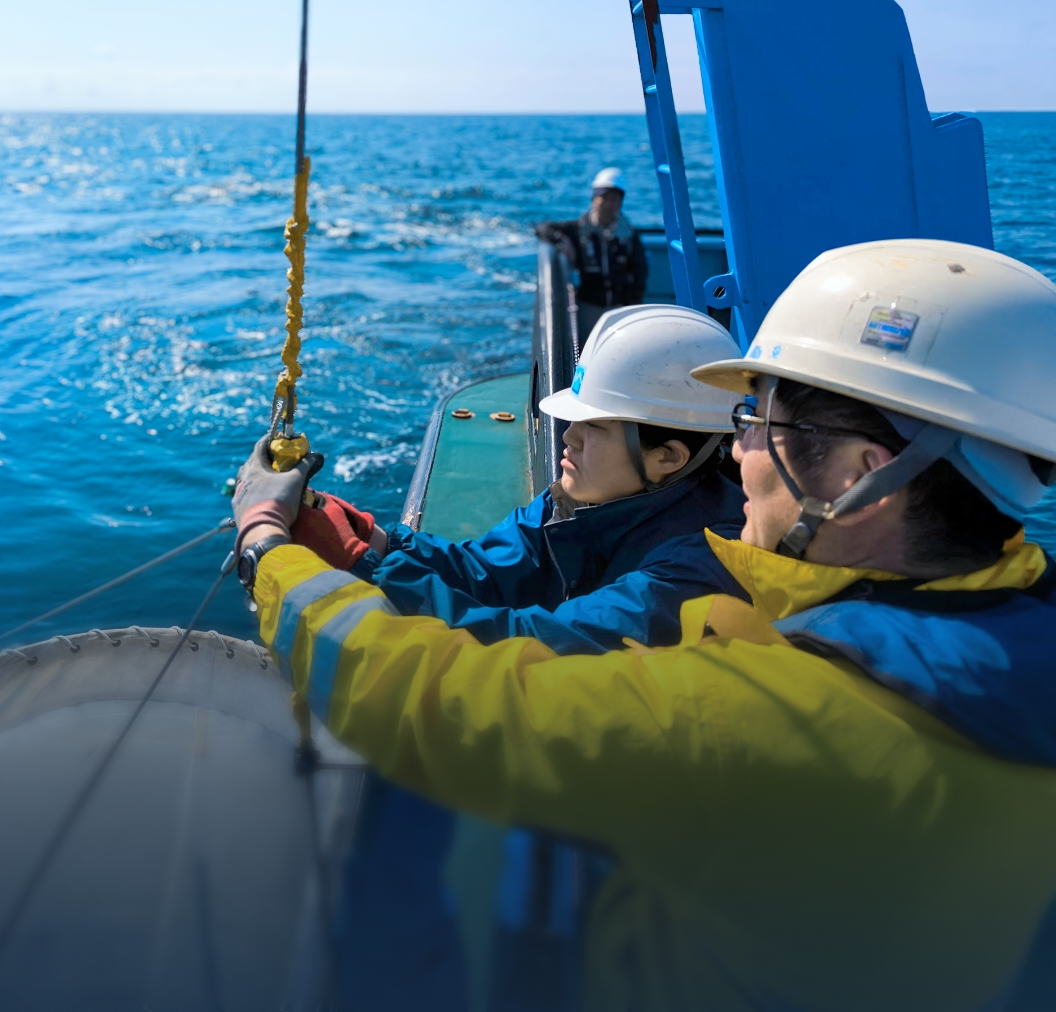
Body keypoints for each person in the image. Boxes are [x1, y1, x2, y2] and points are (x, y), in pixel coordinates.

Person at [233, 239, 1056, 1011]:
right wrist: (376, 546)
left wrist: (268, 548)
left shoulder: (747, 707)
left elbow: (437, 702)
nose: (738, 457)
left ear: (860, 473)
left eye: (757, 425)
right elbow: (491, 568)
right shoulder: (1006, 626)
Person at [249, 305, 747, 1010]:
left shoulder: (694, 573)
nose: (566, 438)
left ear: (669, 456)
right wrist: (375, 542)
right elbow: (479, 570)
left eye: (594, 426)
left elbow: (527, 646)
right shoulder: (586, 506)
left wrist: (304, 552)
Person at [535, 168, 648, 338]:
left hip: (620, 307)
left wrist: (634, 302)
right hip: (588, 306)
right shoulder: (578, 229)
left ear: (620, 202)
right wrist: (561, 240)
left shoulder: (629, 235)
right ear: (594, 199)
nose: (609, 204)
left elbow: (640, 269)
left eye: (614, 199)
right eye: (604, 198)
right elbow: (542, 228)